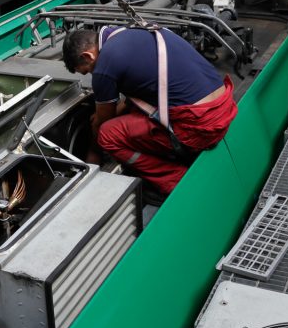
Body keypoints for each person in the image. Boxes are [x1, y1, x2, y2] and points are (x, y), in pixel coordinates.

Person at [62, 26, 237, 201]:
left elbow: (103, 121)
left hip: (200, 126)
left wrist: (93, 153)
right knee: (129, 111)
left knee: (108, 135)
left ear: (88, 56)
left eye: (87, 70)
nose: (92, 74)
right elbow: (141, 89)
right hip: (225, 107)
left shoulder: (104, 65)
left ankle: (176, 181)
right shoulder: (137, 31)